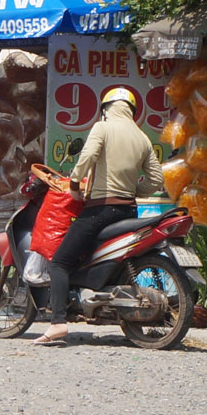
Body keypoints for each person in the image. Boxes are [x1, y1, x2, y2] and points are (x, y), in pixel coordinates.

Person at [34, 88, 164, 346]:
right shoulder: (142, 138)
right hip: (129, 209)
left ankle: (58, 322)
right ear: (131, 111)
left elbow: (88, 155)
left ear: (106, 109)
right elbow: (156, 180)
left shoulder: (102, 128)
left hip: (101, 210)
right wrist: (134, 190)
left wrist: (73, 182)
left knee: (60, 262)